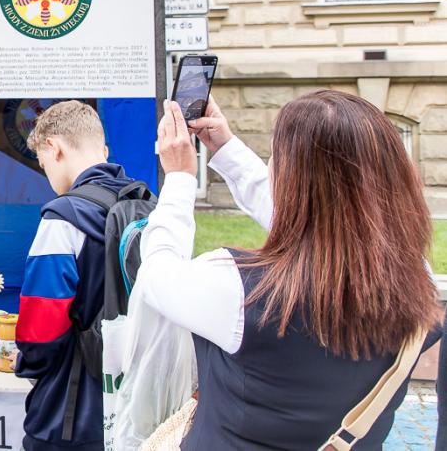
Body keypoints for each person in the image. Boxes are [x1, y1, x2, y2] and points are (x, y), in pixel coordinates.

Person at [140, 92, 440, 449]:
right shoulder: (415, 278)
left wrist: (179, 178)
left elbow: (156, 274)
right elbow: (325, 220)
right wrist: (225, 147)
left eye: (275, 158)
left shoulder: (238, 289)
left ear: (292, 181)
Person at [15, 100, 141, 451]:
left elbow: (41, 326)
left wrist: (27, 362)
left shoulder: (63, 218)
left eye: (43, 164)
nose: (47, 176)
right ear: (103, 151)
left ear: (53, 148)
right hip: (136, 399)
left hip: (71, 411)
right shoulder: (149, 206)